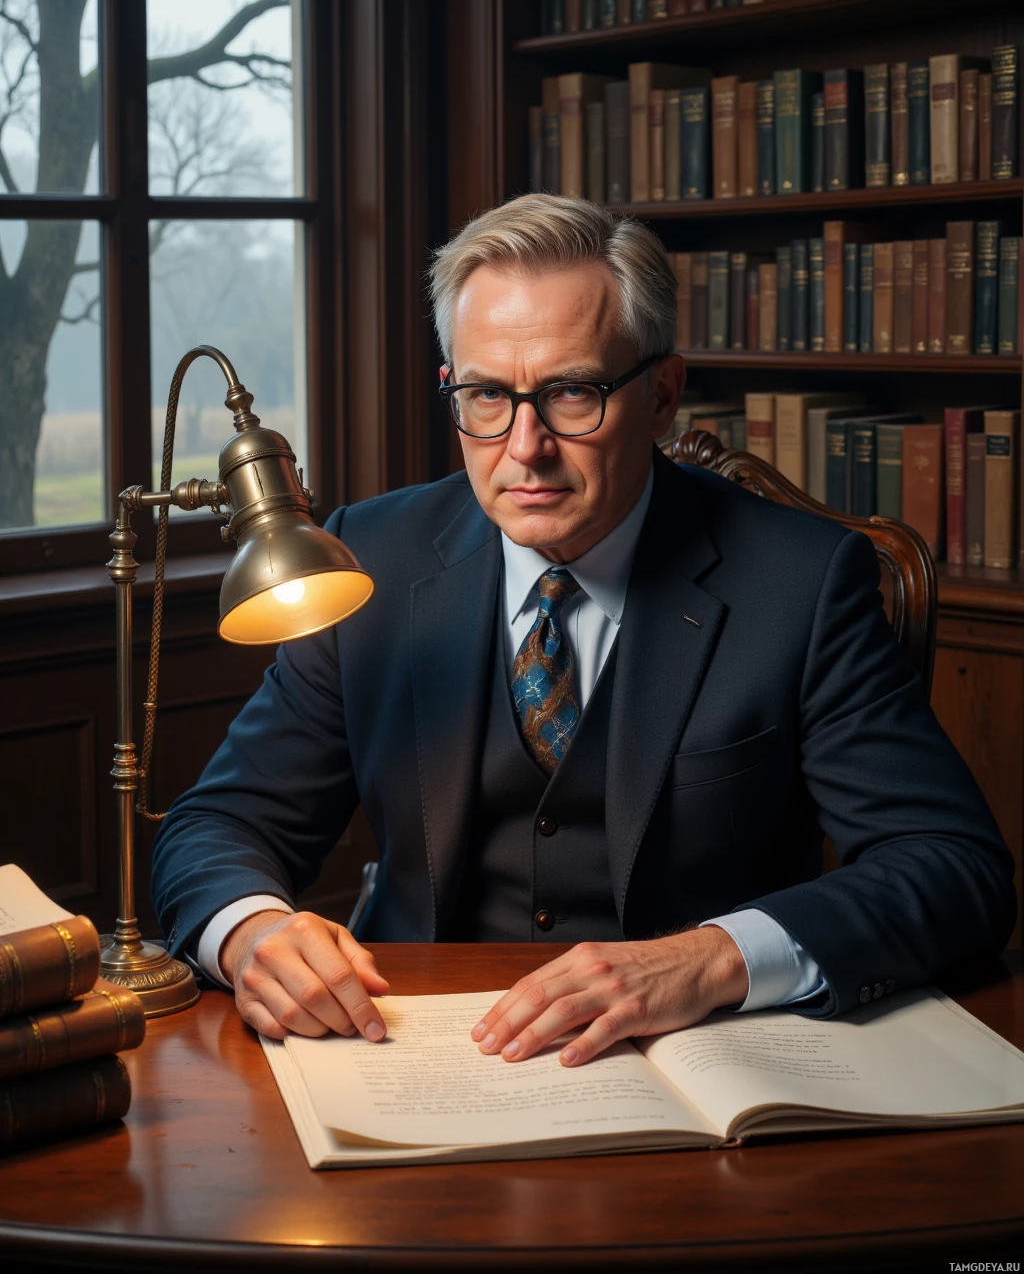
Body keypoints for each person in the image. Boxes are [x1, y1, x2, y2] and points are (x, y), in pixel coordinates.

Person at [152, 194, 1015, 1069]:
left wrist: (713, 957)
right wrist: (250, 931)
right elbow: (217, 826)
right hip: (410, 1051)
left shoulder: (801, 581)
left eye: (572, 393)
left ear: (663, 395)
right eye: (487, 395)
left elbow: (953, 868)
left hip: (706, 1062)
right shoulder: (369, 560)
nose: (524, 447)